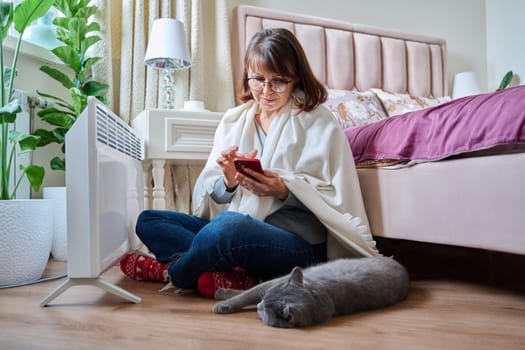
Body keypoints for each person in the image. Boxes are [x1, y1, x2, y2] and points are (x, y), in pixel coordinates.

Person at [120, 28, 378, 297]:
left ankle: (173, 272)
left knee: (230, 227)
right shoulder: (234, 121)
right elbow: (210, 194)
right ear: (247, 75)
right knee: (149, 220)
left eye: (278, 81)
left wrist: (285, 190)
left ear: (296, 78)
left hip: (298, 244)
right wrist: (229, 182)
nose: (266, 91)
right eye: (257, 80)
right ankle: (227, 273)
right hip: (238, 229)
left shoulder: (319, 121)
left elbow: (335, 198)